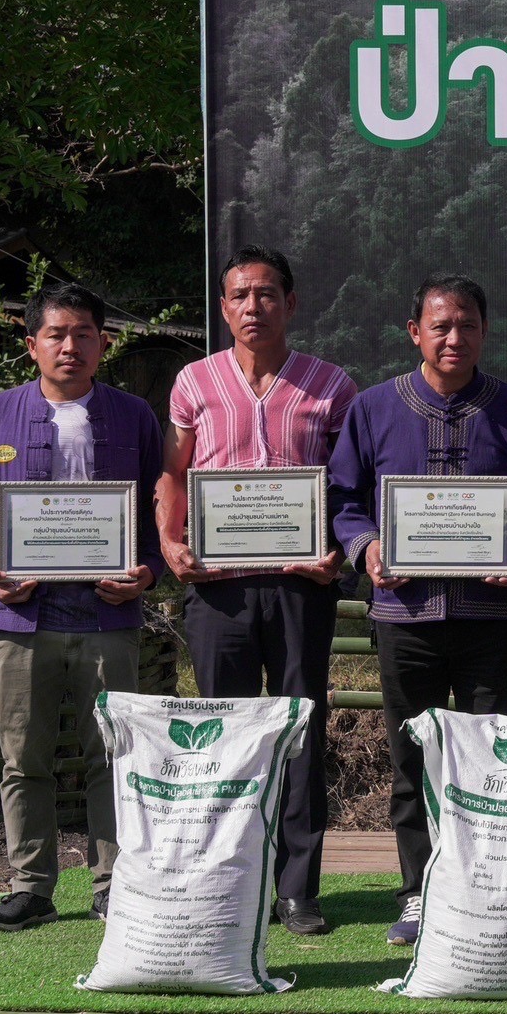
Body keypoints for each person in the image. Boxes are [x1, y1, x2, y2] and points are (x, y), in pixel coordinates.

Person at [327, 275, 507, 946]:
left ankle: (483, 893)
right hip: (405, 614)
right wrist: (367, 548)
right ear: (414, 332)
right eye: (440, 326)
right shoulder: (372, 409)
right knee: (411, 759)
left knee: (488, 761)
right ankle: (418, 891)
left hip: (489, 618)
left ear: (485, 331)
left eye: (467, 325)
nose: (454, 338)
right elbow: (343, 500)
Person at [0, 283, 162, 931]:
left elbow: (160, 507)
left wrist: (147, 571)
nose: (71, 346)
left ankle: (114, 885)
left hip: (108, 616)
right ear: (32, 344)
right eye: (56, 335)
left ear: (105, 342)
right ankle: (31, 887)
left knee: (113, 756)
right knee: (23, 760)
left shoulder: (134, 416)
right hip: (19, 618)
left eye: (84, 334)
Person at [156, 246, 356, 936]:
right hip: (220, 591)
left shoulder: (330, 384)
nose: (253, 307)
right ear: (223, 307)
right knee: (226, 736)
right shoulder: (194, 381)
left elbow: (349, 483)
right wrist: (170, 543)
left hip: (302, 587)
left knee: (300, 730)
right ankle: (232, 883)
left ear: (290, 303)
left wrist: (337, 549)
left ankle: (298, 890)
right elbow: (173, 473)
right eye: (240, 295)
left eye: (267, 294)